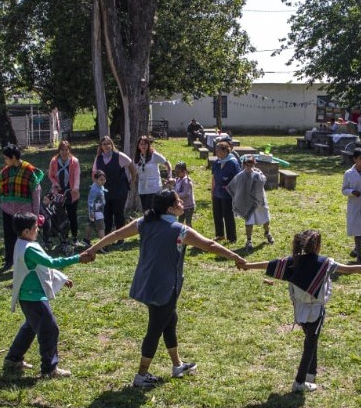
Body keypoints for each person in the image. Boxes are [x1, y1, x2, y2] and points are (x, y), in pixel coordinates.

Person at [86, 190, 245, 388]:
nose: (182, 202)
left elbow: (117, 234)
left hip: (147, 283)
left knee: (170, 320)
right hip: (165, 287)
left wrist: (92, 249)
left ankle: (177, 365)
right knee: (155, 329)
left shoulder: (144, 222)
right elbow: (210, 245)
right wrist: (236, 257)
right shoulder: (179, 229)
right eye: (179, 201)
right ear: (170, 208)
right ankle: (141, 375)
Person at [242, 229, 361, 392]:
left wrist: (248, 265)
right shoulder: (324, 263)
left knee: (311, 341)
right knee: (310, 344)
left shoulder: (293, 262)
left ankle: (311, 374)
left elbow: (268, 264)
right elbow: (347, 269)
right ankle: (299, 382)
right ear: (317, 246)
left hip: (299, 309)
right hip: (315, 310)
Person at [4, 212, 94, 378]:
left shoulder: (21, 243)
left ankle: (13, 359)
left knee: (31, 327)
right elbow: (51, 262)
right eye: (35, 228)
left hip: (27, 297)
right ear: (25, 231)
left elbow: (42, 268)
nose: (37, 230)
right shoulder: (29, 249)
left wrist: (61, 277)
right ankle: (49, 369)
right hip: (34, 298)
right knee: (50, 330)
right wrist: (78, 258)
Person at [0, 144, 45, 271]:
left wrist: (35, 215)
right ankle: (9, 261)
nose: (5, 161)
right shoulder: (5, 172)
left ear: (13, 157)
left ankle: (27, 261)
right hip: (8, 211)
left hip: (25, 213)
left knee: (26, 238)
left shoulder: (29, 171)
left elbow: (36, 193)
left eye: (6, 158)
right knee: (9, 237)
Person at [92, 136, 138, 238]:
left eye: (109, 143)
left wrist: (133, 179)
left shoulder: (119, 156)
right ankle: (107, 237)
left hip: (119, 190)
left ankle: (120, 238)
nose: (107, 146)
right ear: (101, 146)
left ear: (112, 145)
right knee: (107, 214)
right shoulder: (98, 158)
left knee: (118, 214)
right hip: (105, 192)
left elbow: (131, 164)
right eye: (104, 144)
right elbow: (94, 172)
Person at [227, 155, 274, 251]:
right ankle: (249, 241)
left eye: (251, 164)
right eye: (247, 164)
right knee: (249, 221)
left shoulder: (258, 173)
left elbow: (263, 181)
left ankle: (267, 233)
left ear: (254, 164)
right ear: (244, 164)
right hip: (247, 203)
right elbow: (234, 186)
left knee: (265, 220)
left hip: (259, 202)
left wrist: (256, 174)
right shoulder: (240, 176)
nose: (249, 166)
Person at [48, 140, 81, 243]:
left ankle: (74, 236)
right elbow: (51, 175)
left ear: (69, 150)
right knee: (60, 216)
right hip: (58, 193)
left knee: (72, 215)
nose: (64, 152)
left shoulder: (74, 161)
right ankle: (63, 237)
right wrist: (55, 184)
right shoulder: (54, 161)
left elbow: (76, 176)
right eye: (62, 149)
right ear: (59, 150)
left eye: (66, 149)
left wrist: (75, 187)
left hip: (71, 193)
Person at [211, 141, 241, 244]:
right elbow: (214, 177)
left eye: (218, 149)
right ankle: (220, 235)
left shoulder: (233, 163)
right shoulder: (217, 162)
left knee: (228, 215)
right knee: (217, 214)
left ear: (224, 150)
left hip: (228, 194)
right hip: (217, 192)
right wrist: (212, 191)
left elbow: (238, 179)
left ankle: (231, 237)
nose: (216, 151)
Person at [135, 135, 172, 212]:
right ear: (138, 146)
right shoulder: (137, 158)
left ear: (148, 145)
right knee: (145, 211)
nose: (143, 146)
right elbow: (135, 172)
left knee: (152, 210)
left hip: (154, 188)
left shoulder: (154, 155)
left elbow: (167, 164)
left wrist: (169, 176)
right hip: (142, 188)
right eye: (141, 144)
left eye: (145, 144)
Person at [85, 170, 107, 244]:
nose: (103, 181)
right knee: (101, 227)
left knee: (91, 224)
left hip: (99, 211)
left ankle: (86, 240)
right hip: (97, 212)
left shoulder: (100, 186)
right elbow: (90, 202)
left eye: (104, 179)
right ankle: (103, 245)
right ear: (95, 179)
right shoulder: (94, 189)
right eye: (101, 179)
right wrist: (91, 213)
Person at [173, 162, 195, 227]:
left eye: (178, 172)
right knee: (180, 222)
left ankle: (191, 235)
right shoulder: (179, 179)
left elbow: (185, 193)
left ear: (184, 171)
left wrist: (176, 195)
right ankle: (181, 235)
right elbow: (176, 186)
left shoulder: (186, 181)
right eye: (175, 172)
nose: (176, 174)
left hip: (189, 206)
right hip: (182, 206)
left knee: (188, 222)